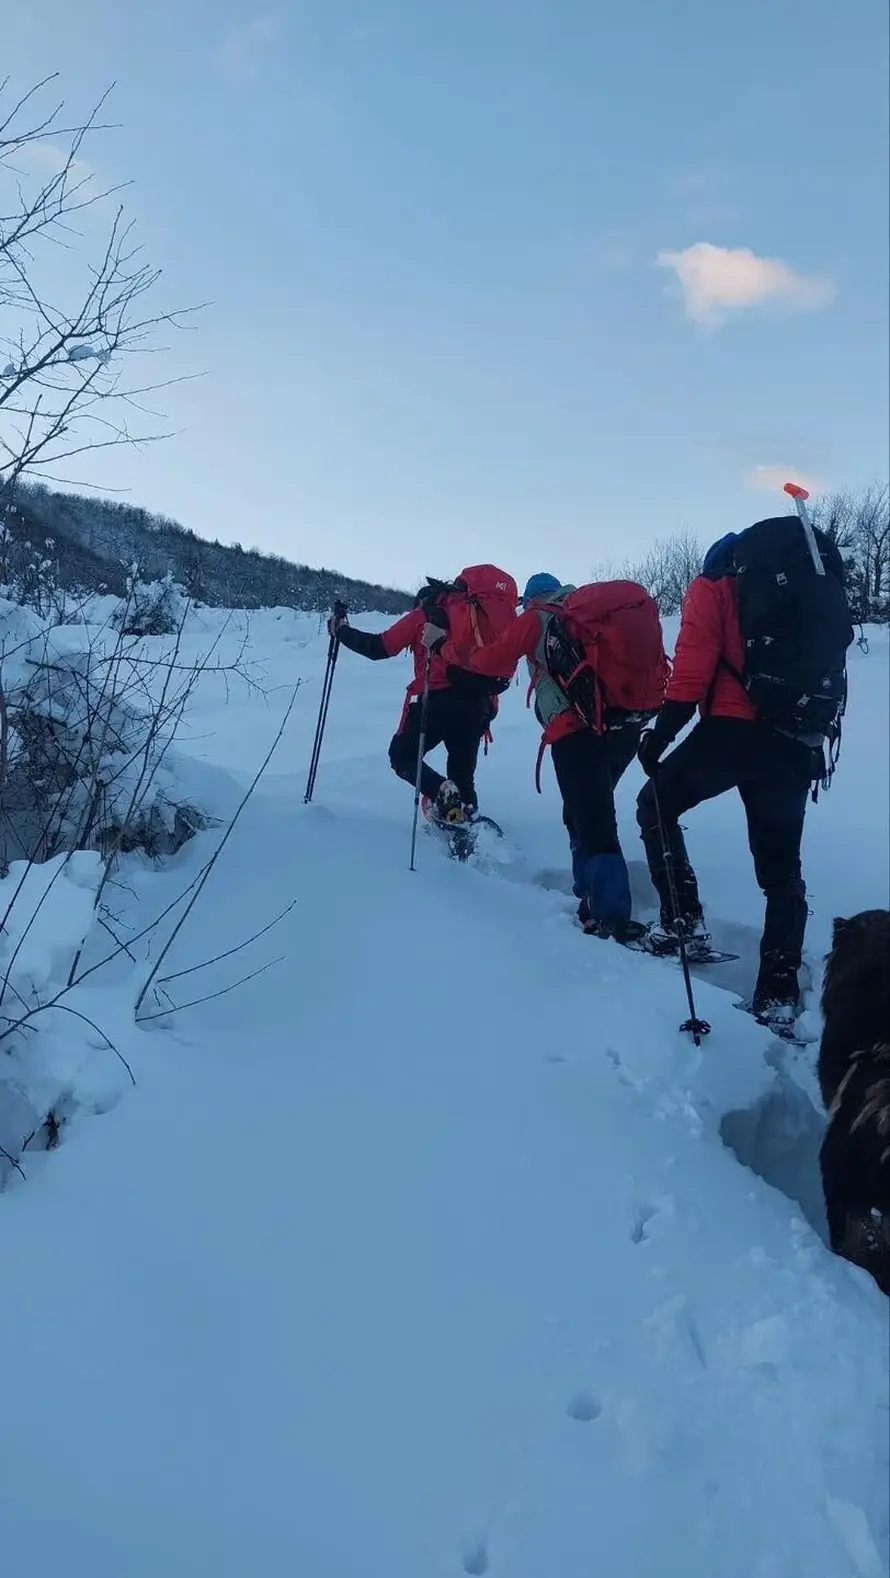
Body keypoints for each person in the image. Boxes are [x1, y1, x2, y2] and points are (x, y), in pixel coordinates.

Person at [634, 531, 823, 1031]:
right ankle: (778, 993)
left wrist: (659, 738)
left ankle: (682, 921)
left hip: (732, 732)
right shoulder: (806, 591)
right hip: (795, 741)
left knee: (654, 803)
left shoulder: (713, 586)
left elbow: (693, 671)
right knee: (782, 871)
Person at [428, 572, 665, 942]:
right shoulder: (588, 613)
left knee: (594, 820)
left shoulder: (536, 619)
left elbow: (487, 660)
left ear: (531, 598)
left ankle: (610, 916)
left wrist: (444, 647)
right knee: (582, 811)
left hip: (576, 732)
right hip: (627, 728)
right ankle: (590, 897)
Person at [329, 567, 517, 825]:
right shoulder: (476, 613)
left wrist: (341, 631)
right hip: (478, 705)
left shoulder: (423, 615)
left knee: (402, 756)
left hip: (437, 700)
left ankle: (440, 790)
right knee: (463, 777)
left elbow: (379, 647)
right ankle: (470, 831)